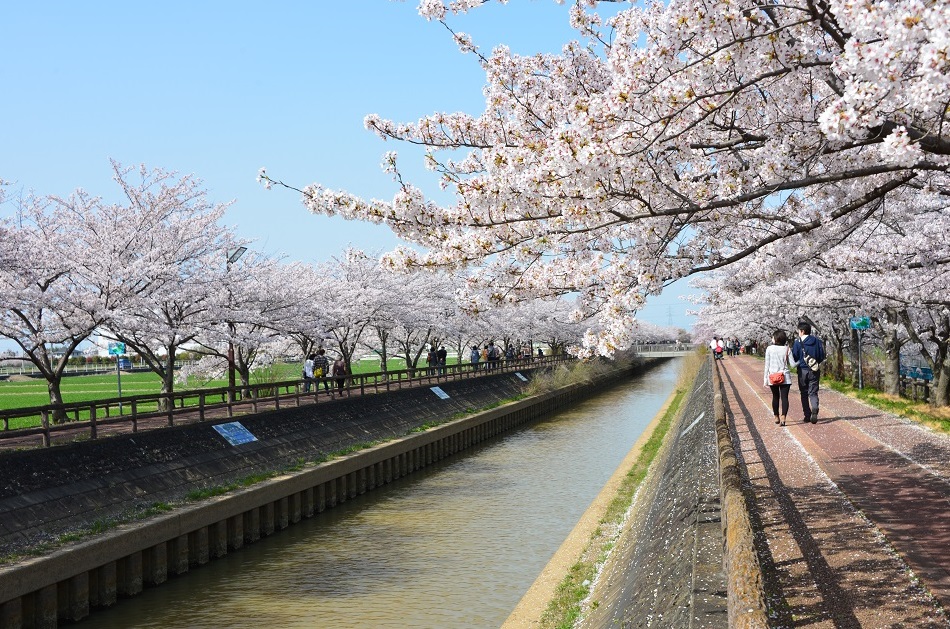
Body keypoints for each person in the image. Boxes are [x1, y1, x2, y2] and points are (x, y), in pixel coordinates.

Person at [791, 321, 826, 424]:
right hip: (814, 370)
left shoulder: (798, 342)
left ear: (802, 331)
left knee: (804, 393)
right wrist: (814, 363)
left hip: (802, 371)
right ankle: (815, 407)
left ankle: (807, 415)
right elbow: (821, 356)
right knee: (813, 392)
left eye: (799, 331)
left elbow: (795, 356)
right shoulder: (817, 341)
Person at [763, 330, 794, 426]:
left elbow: (766, 365)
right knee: (785, 398)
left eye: (773, 337)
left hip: (773, 377)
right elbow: (792, 364)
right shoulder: (787, 349)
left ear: (776, 338)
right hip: (785, 377)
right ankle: (783, 416)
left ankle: (776, 416)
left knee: (775, 397)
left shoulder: (769, 349)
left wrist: (765, 379)